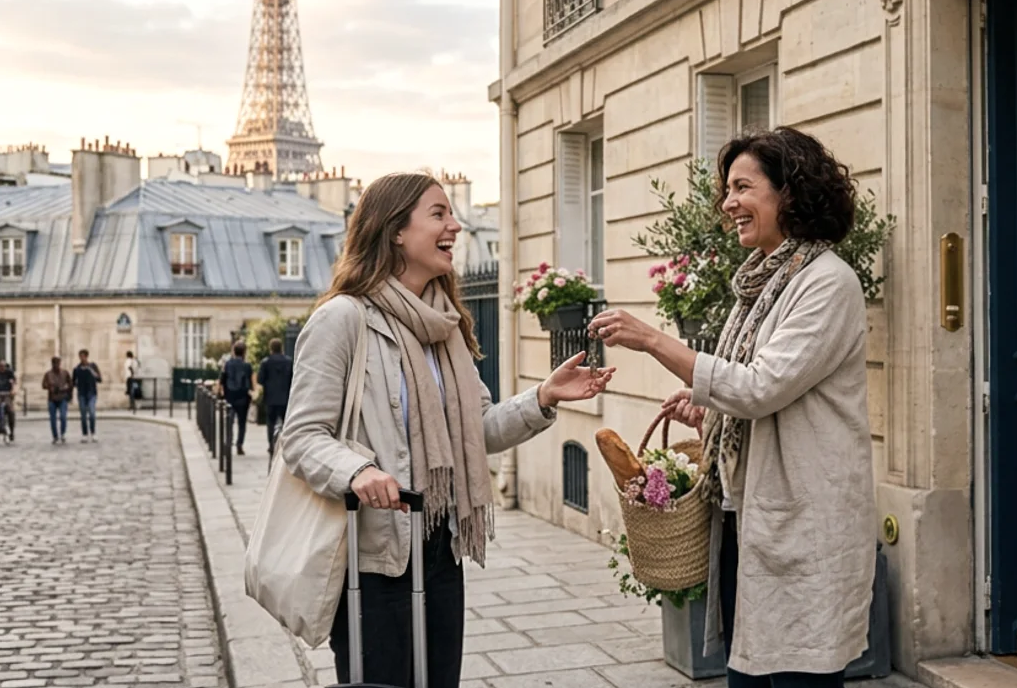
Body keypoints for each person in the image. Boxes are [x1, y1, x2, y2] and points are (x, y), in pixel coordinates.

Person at [280, 172, 614, 688]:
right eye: (438, 214)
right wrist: (357, 470)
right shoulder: (343, 321)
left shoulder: (445, 324)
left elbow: (475, 431)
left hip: (441, 544)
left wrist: (543, 397)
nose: (455, 226)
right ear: (394, 230)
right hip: (375, 555)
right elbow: (301, 437)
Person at [588, 128, 876, 688]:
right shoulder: (761, 283)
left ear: (788, 193)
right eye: (727, 189)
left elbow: (761, 387)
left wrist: (653, 340)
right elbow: (751, 388)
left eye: (743, 187)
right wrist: (708, 407)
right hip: (747, 521)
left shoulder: (827, 283)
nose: (728, 203)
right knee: (748, 675)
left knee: (799, 673)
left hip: (803, 521)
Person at [257, 337, 293, 455]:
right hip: (286, 398)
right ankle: (287, 445)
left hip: (271, 398)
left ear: (271, 348)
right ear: (281, 348)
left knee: (270, 423)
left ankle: (271, 445)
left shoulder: (265, 362)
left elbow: (260, 380)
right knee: (287, 423)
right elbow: (293, 379)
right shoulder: (289, 361)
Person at [222, 343, 255, 455]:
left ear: (233, 351)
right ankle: (239, 445)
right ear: (244, 352)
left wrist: (222, 393)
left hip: (230, 396)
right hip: (243, 397)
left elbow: (222, 380)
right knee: (242, 423)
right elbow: (251, 383)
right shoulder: (247, 366)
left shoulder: (227, 364)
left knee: (229, 422)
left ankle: (228, 443)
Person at [42, 357, 74, 444]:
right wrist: (49, 387)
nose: (56, 365)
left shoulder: (65, 373)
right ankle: (55, 436)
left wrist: (68, 393)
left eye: (58, 363)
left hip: (62, 397)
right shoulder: (48, 374)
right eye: (54, 363)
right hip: (52, 398)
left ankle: (63, 433)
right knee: (53, 419)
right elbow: (43, 385)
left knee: (63, 416)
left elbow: (71, 384)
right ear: (52, 364)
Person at [72, 350, 101, 442]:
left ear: (86, 356)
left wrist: (90, 370)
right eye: (80, 356)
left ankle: (93, 433)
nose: (81, 358)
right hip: (82, 394)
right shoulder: (77, 369)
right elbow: (73, 382)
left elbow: (99, 378)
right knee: (83, 415)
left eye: (83, 356)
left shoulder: (93, 366)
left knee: (92, 413)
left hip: (92, 393)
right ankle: (84, 434)